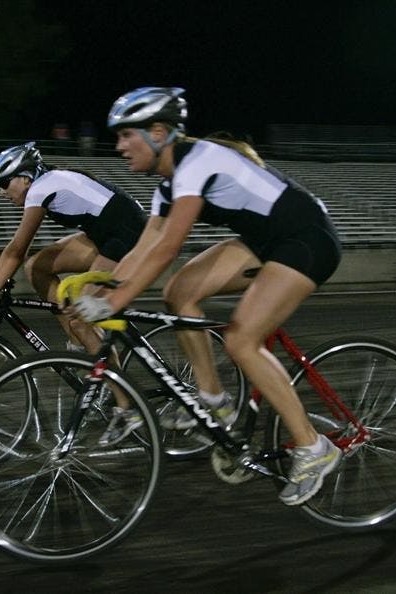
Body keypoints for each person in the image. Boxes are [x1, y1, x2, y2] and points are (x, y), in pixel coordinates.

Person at [70, 87, 343, 506]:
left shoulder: (197, 163)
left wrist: (116, 302)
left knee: (240, 339)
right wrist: (97, 288)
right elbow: (143, 249)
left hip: (306, 239)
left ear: (159, 132)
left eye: (126, 135)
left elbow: (166, 249)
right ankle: (215, 401)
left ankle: (313, 447)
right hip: (263, 241)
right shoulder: (167, 186)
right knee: (178, 292)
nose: (120, 146)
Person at [0, 141, 147, 445]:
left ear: (26, 177)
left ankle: (127, 406)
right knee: (37, 268)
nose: (1, 192)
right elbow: (23, 258)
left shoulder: (40, 189)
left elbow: (16, 249)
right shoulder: (46, 183)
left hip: (127, 235)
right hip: (106, 231)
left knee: (81, 317)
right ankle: (80, 346)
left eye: (5, 183)